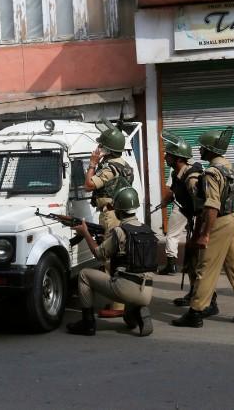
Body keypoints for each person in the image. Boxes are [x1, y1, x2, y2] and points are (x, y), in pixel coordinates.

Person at [172, 127, 234, 328]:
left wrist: (205, 234)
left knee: (205, 268)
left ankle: (195, 312)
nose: (200, 151)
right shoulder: (232, 168)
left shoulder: (212, 172)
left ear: (210, 150)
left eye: (203, 148)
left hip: (218, 222)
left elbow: (212, 205)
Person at [67, 187, 156, 337]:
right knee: (129, 320)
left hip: (126, 287)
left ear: (118, 210)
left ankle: (87, 323)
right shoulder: (148, 230)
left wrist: (85, 233)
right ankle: (137, 311)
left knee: (84, 275)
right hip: (147, 290)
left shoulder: (120, 231)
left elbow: (99, 255)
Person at [84, 119, 134, 318]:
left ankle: (117, 306)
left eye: (102, 146)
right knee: (120, 258)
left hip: (111, 215)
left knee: (109, 259)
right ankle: (121, 302)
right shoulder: (125, 165)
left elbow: (89, 185)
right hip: (122, 213)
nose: (99, 148)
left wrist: (92, 164)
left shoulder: (109, 168)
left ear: (108, 149)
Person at [159, 130, 205, 308]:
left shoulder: (191, 178)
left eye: (168, 155)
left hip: (201, 224)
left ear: (178, 158)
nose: (165, 157)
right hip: (192, 221)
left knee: (200, 263)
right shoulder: (176, 175)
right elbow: (177, 194)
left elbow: (201, 209)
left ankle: (206, 298)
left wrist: (199, 235)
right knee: (190, 261)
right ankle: (194, 292)